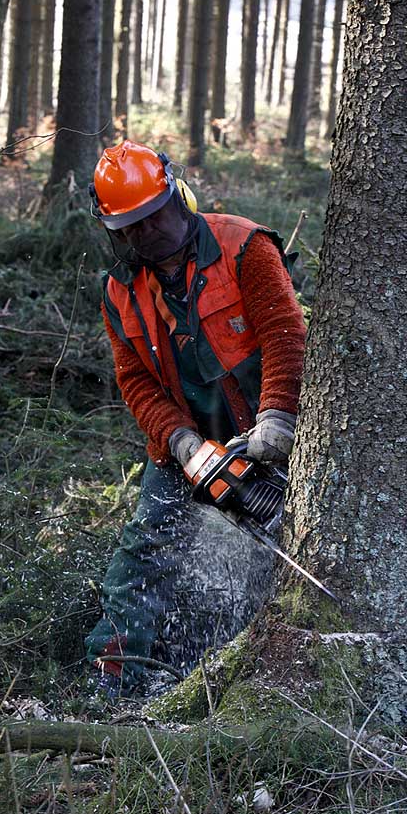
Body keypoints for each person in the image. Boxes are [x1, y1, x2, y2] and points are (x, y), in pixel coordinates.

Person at [85, 140, 307, 695]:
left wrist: (278, 417)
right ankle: (113, 689)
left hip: (265, 439)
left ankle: (239, 686)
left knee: (265, 570)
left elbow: (285, 335)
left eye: (153, 215)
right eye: (130, 225)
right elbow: (135, 381)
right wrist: (180, 442)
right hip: (188, 450)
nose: (145, 232)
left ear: (174, 194)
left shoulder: (242, 246)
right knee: (138, 565)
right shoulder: (120, 292)